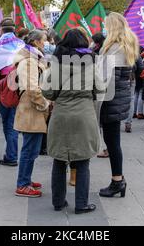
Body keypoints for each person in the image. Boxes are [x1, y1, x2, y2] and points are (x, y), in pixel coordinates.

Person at [42, 29, 101, 214]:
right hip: (84, 115)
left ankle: (58, 202)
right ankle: (81, 204)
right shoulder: (92, 63)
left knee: (59, 160)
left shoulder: (57, 65)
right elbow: (100, 90)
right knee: (83, 161)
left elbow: (48, 92)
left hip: (61, 115)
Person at [99, 12, 138, 198]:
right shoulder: (126, 45)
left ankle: (117, 181)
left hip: (110, 100)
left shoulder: (115, 48)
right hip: (118, 99)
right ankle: (118, 179)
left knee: (112, 142)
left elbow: (105, 79)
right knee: (113, 142)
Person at [13, 30, 50, 198]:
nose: (46, 43)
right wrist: (45, 104)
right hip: (31, 109)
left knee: (32, 148)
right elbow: (32, 88)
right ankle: (22, 184)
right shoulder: (29, 61)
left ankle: (26, 179)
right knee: (29, 149)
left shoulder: (33, 58)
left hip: (32, 109)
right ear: (35, 42)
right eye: (43, 40)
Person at [0, 18, 20, 167]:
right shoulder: (21, 44)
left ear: (1, 29)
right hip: (20, 86)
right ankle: (11, 153)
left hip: (5, 87)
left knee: (8, 123)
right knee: (13, 121)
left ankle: (12, 155)